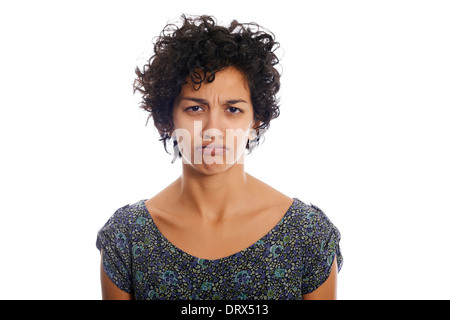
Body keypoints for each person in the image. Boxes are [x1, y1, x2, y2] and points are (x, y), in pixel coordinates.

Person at [96, 14, 343, 300]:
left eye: (233, 109)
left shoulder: (307, 234)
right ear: (167, 118)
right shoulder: (126, 238)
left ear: (255, 121)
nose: (213, 130)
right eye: (195, 109)